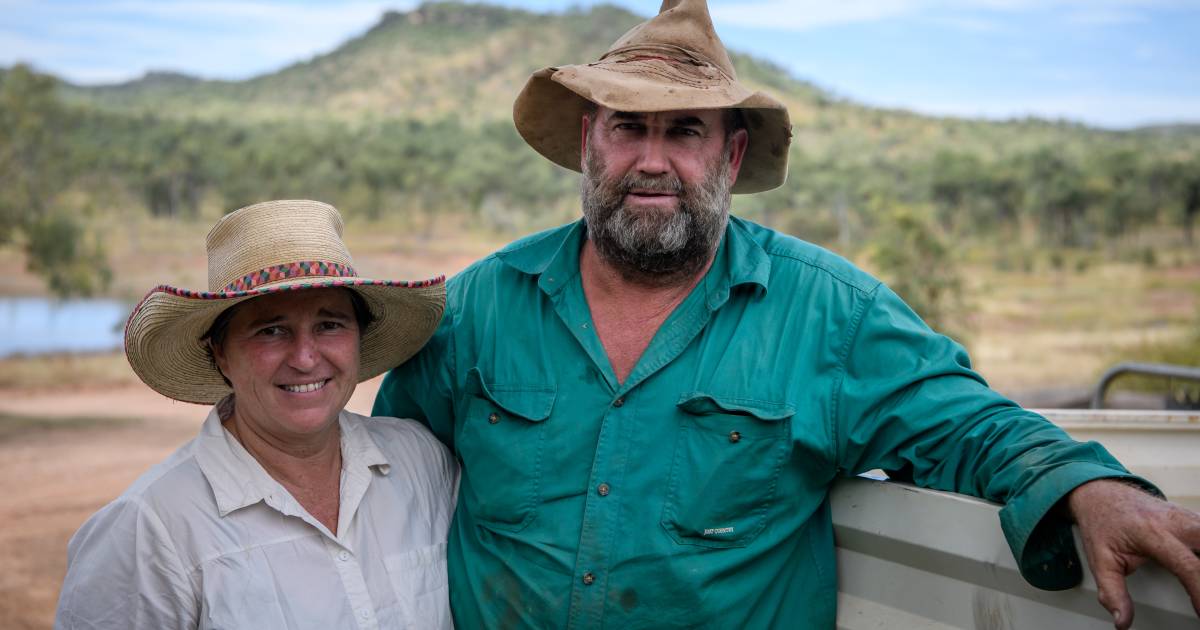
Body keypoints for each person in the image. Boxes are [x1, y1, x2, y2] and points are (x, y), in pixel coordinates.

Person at [375, 1, 1200, 628]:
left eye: (686, 130)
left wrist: (1091, 487)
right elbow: (392, 483)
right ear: (591, 140)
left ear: (730, 154)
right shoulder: (479, 305)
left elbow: (968, 425)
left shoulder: (830, 315)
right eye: (629, 127)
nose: (653, 160)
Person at [56, 200, 457, 629]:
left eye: (330, 325)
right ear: (221, 354)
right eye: (271, 330)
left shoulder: (421, 462)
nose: (305, 359)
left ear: (359, 338)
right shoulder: (149, 527)